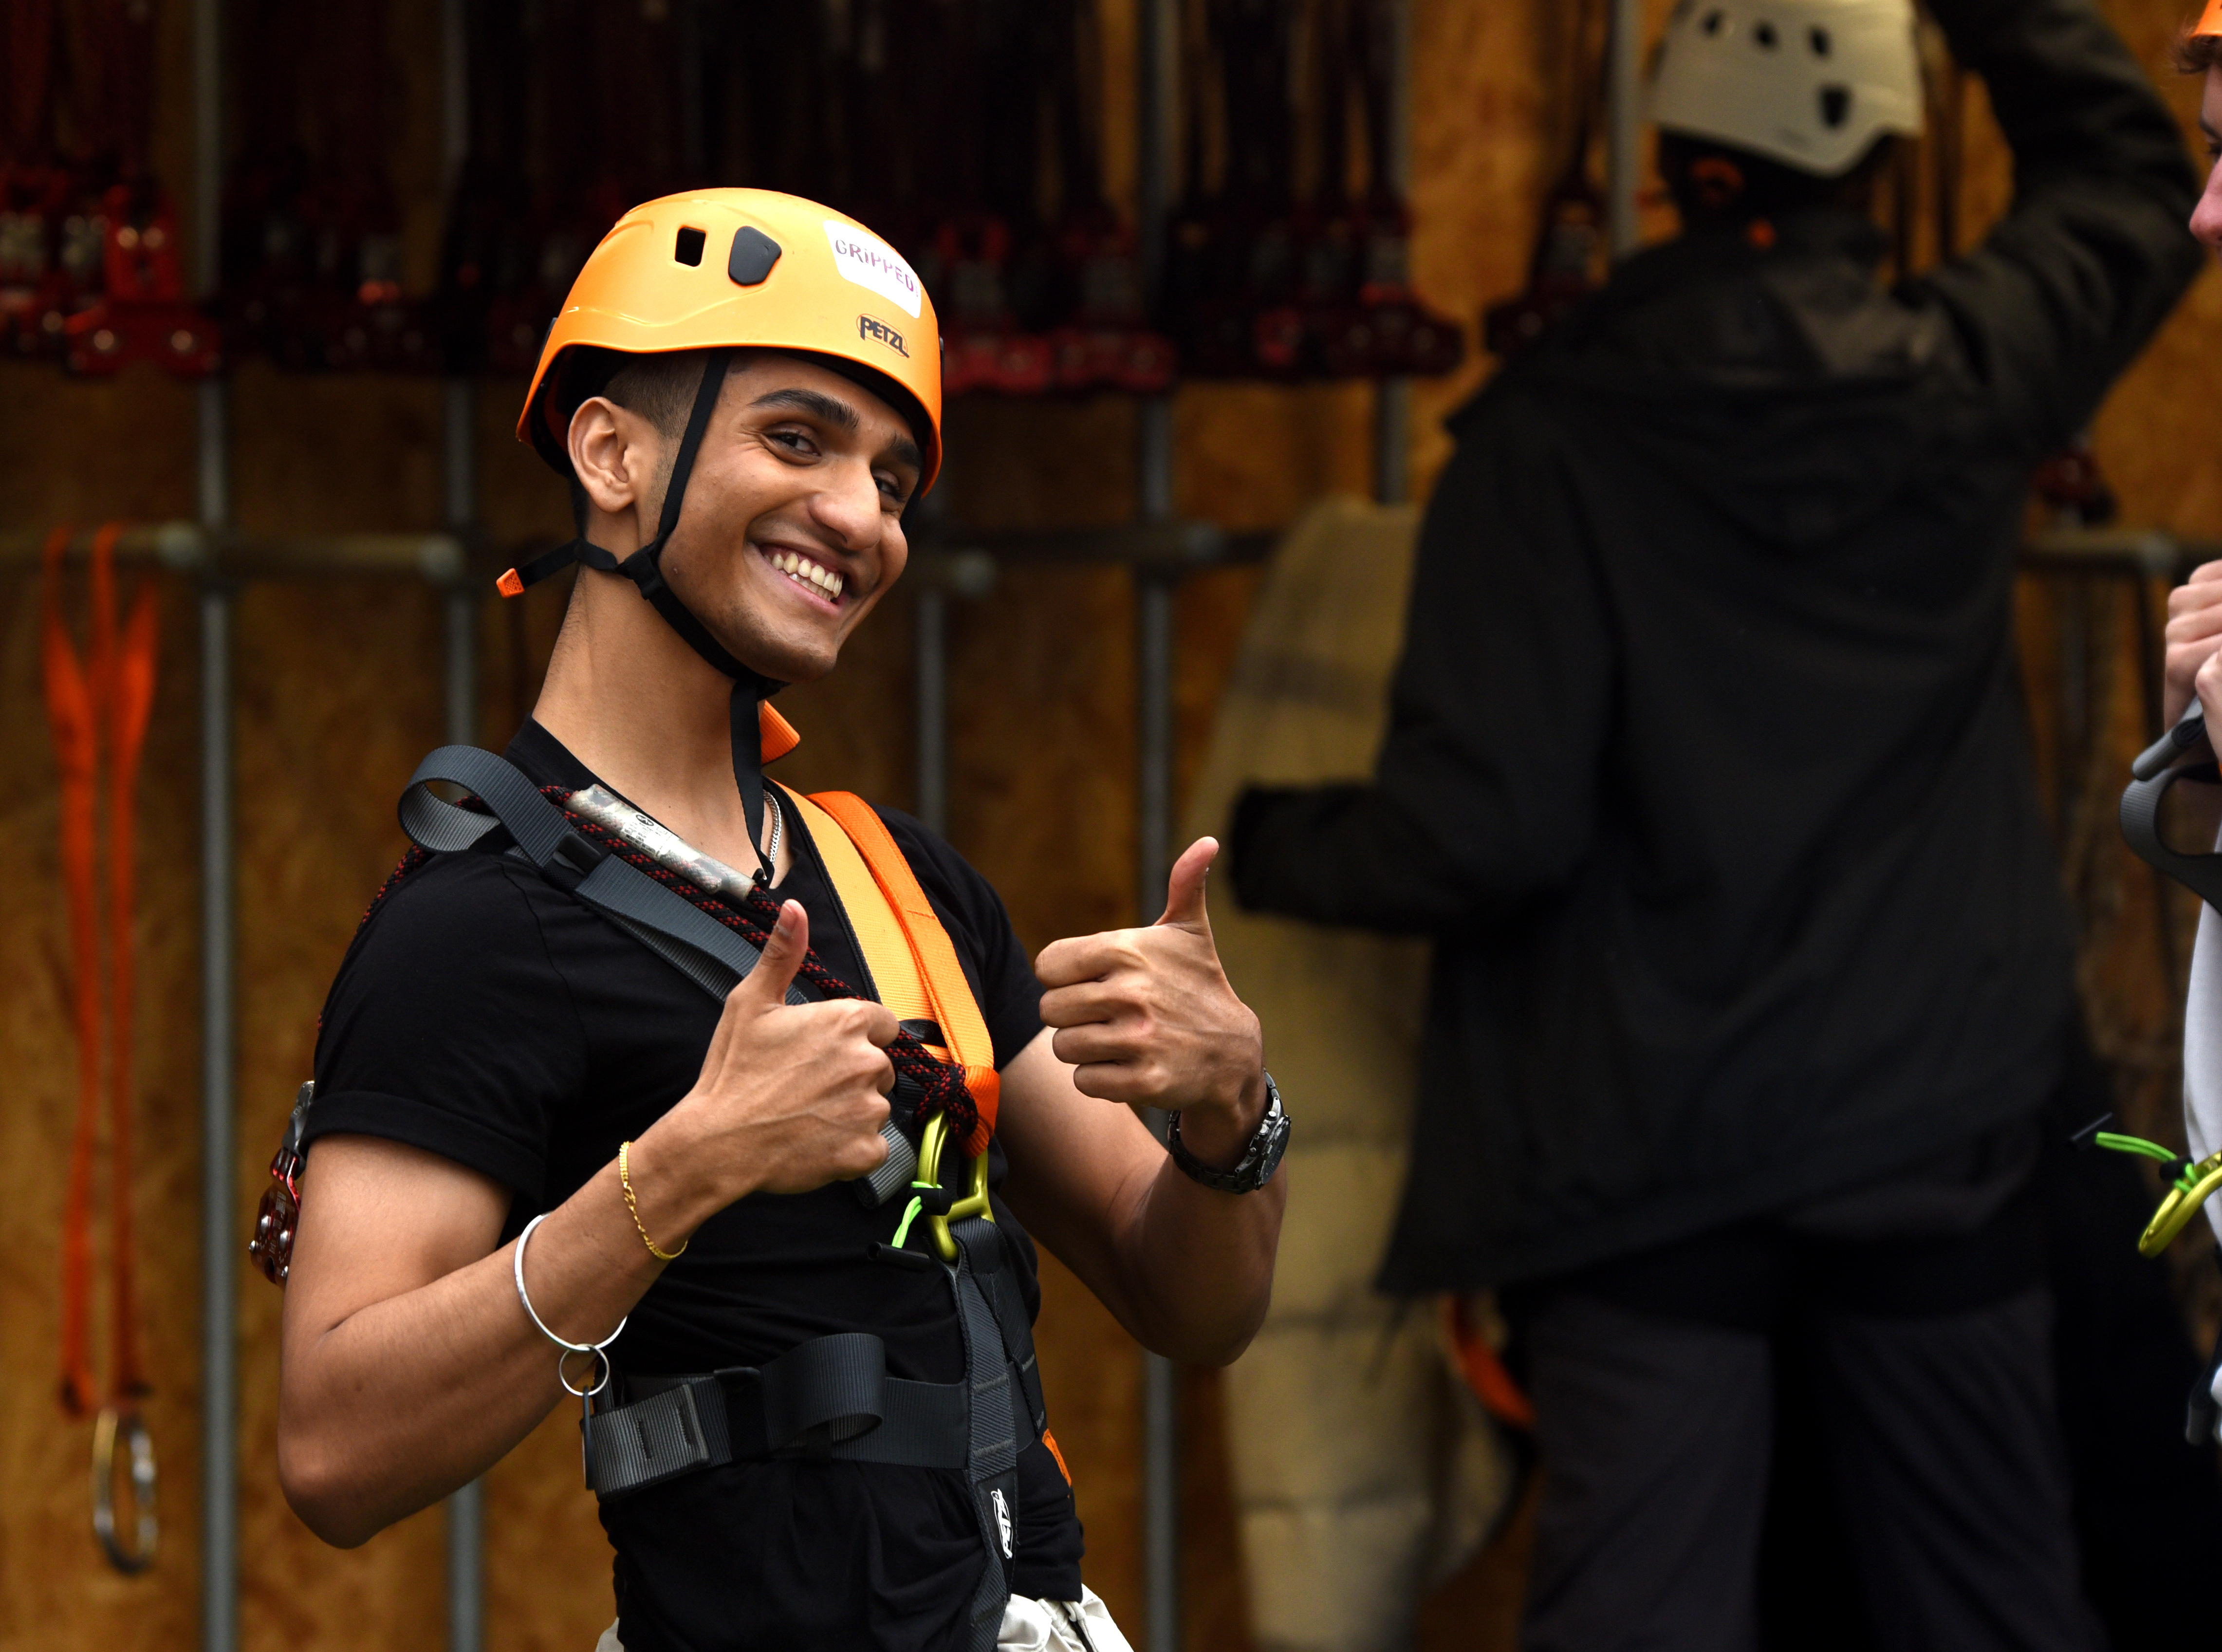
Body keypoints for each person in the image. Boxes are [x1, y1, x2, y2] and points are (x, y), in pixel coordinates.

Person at [1228, 1, 2200, 1647]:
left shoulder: (1540, 441)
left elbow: (1484, 830)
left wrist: (1267, 835)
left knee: (1643, 1610)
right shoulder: (1962, 375)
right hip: (1929, 1126)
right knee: (1990, 1598)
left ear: (1676, 161)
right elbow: (2125, 176)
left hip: (1636, 1156)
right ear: (1883, 163)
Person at [272, 190, 1288, 1652]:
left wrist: (1230, 1114)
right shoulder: (476, 928)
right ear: (611, 453)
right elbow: (334, 1452)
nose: (860, 517)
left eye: (892, 480)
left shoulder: (899, 880)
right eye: (798, 439)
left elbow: (1191, 1300)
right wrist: (679, 1172)